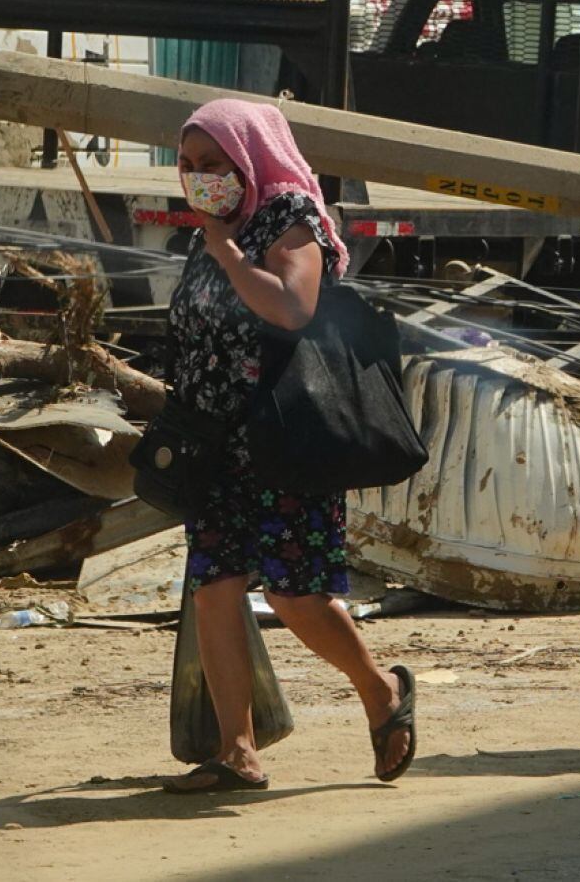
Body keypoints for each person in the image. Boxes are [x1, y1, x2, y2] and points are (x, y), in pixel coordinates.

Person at [162, 98, 416, 793]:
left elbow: (292, 306)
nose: (198, 177)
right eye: (187, 165)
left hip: (284, 440)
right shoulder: (215, 227)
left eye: (212, 163)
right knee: (215, 587)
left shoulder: (286, 217)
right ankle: (236, 750)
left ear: (247, 155)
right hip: (217, 444)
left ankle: (380, 689)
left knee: (298, 595)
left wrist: (226, 250)